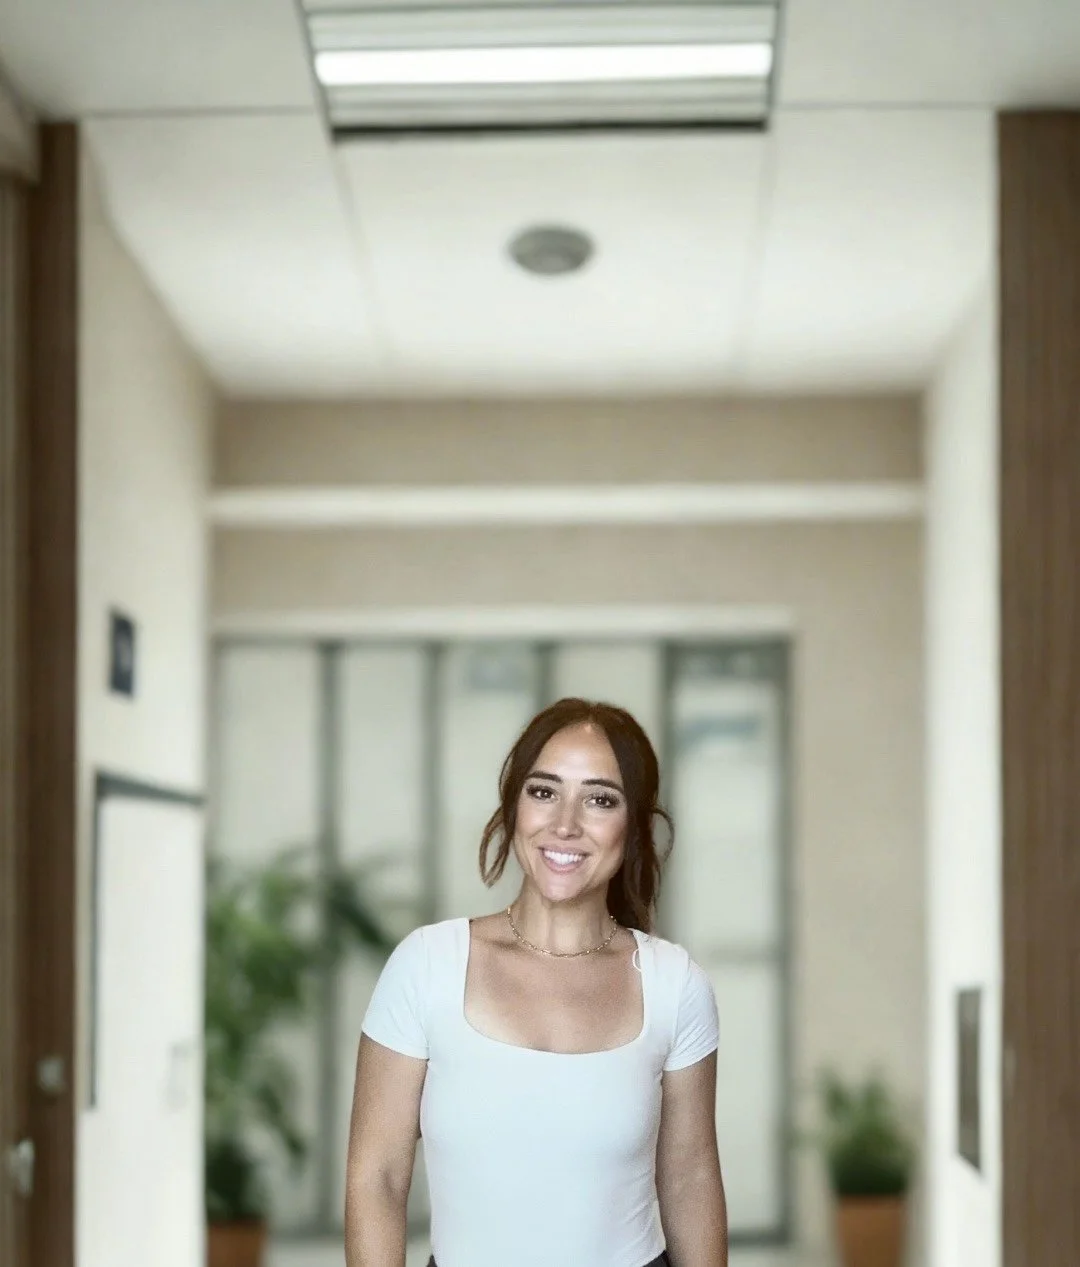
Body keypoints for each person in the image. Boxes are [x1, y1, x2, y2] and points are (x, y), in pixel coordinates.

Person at [344, 697, 728, 1267]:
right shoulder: (427, 965)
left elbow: (691, 1179)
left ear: (635, 826)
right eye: (543, 791)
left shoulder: (675, 985)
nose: (565, 824)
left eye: (600, 799)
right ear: (513, 806)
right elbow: (376, 1177)